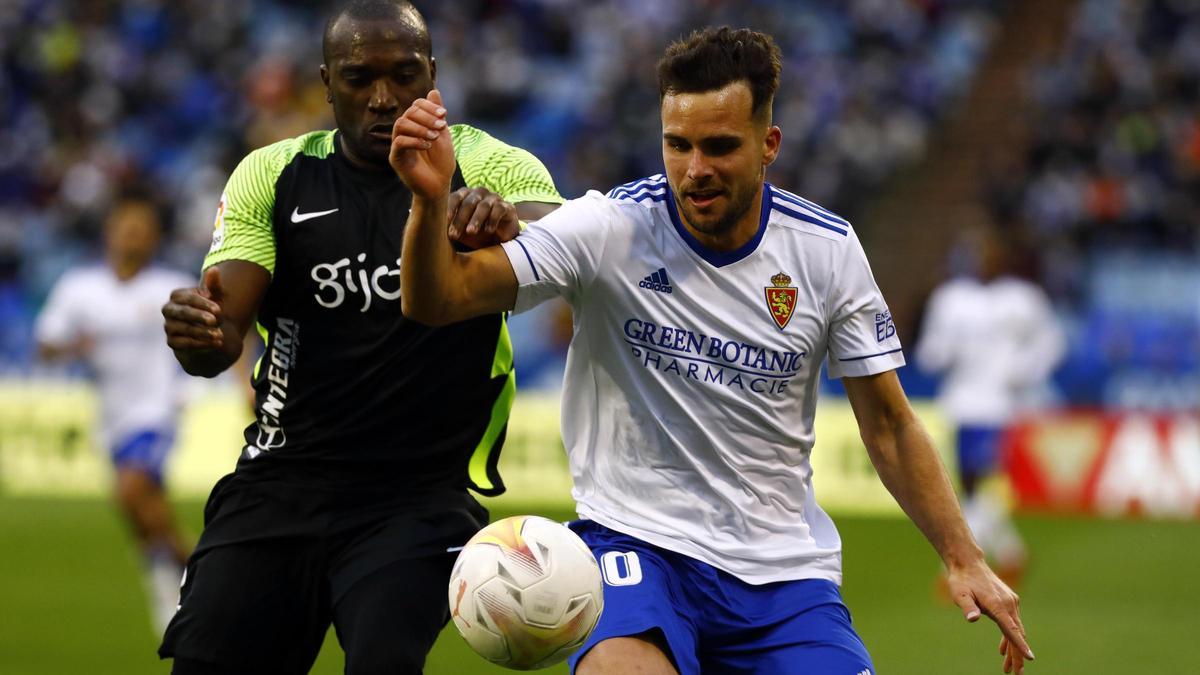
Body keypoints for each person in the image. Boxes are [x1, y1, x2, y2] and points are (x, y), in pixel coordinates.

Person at [392, 27, 1035, 675]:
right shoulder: (609, 228)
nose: (694, 169)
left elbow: (891, 424)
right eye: (678, 145)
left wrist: (964, 556)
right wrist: (428, 200)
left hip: (784, 574)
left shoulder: (827, 250)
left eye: (720, 147)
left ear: (768, 145)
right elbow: (437, 299)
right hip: (635, 545)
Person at [156, 1, 563, 673]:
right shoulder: (273, 175)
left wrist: (509, 223)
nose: (383, 98)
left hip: (419, 496)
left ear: (433, 73)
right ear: (325, 82)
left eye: (404, 75)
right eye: (357, 78)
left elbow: (560, 243)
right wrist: (197, 334)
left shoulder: (488, 162)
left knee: (383, 657)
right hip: (281, 479)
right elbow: (221, 338)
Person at [35, 197, 193, 636]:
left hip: (159, 410)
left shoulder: (173, 285)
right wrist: (71, 347)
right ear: (109, 232)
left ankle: (186, 581)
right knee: (141, 509)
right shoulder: (79, 288)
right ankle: (180, 576)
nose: (134, 236)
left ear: (156, 237)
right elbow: (45, 346)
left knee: (132, 488)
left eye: (143, 229)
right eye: (127, 227)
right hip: (111, 417)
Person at [916, 227, 1065, 588]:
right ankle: (1012, 554)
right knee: (970, 489)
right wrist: (943, 353)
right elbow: (930, 352)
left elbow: (1052, 342)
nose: (983, 262)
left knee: (983, 483)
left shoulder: (1022, 299)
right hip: (960, 404)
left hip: (1000, 407)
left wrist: (1023, 372)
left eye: (989, 255)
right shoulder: (951, 299)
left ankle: (954, 569)